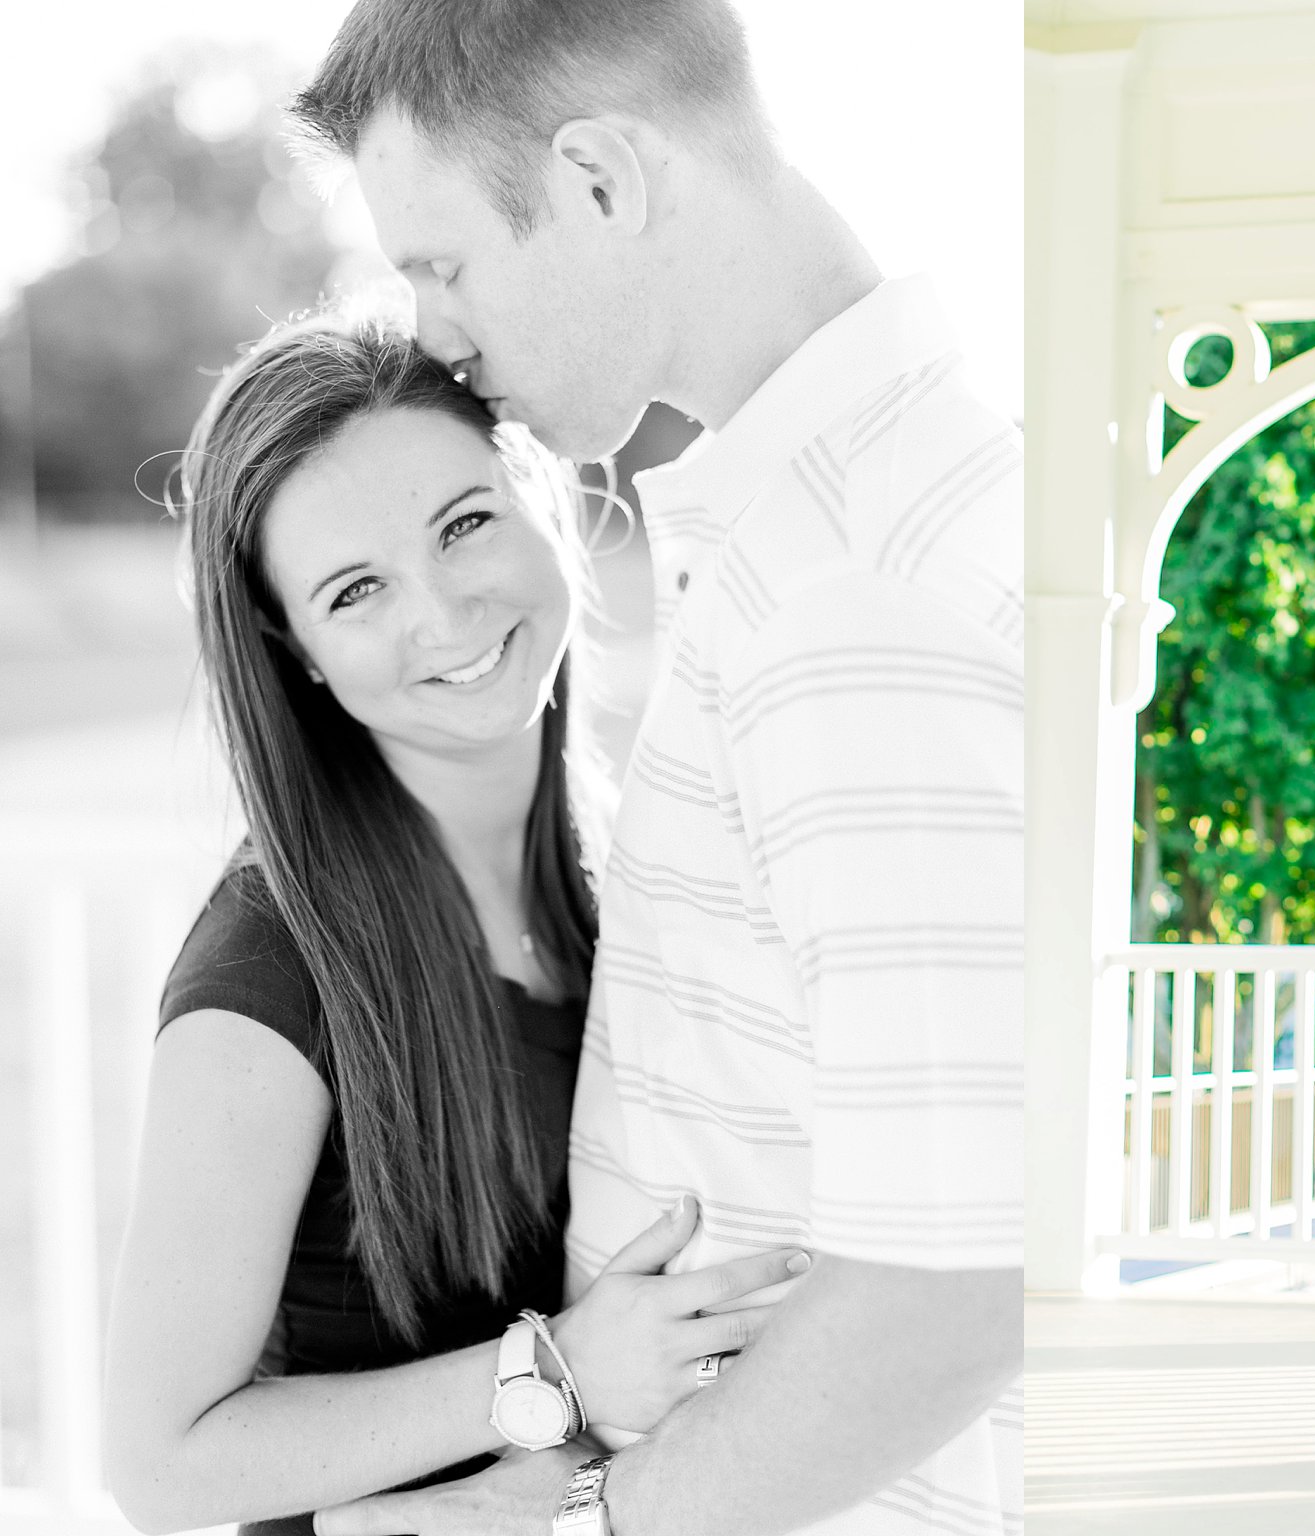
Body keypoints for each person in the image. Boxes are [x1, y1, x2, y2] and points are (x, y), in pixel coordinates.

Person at [287, 4, 1024, 1533]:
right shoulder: (814, 532)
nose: (431, 332)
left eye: (444, 264)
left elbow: (952, 1291)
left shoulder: (852, 593)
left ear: (603, 181)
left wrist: (576, 1528)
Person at [102, 316, 804, 1536]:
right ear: (298, 652)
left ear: (539, 497)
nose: (444, 613)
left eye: (465, 522)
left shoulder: (622, 860)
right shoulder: (268, 973)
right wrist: (554, 1374)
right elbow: (159, 1466)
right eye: (355, 590)